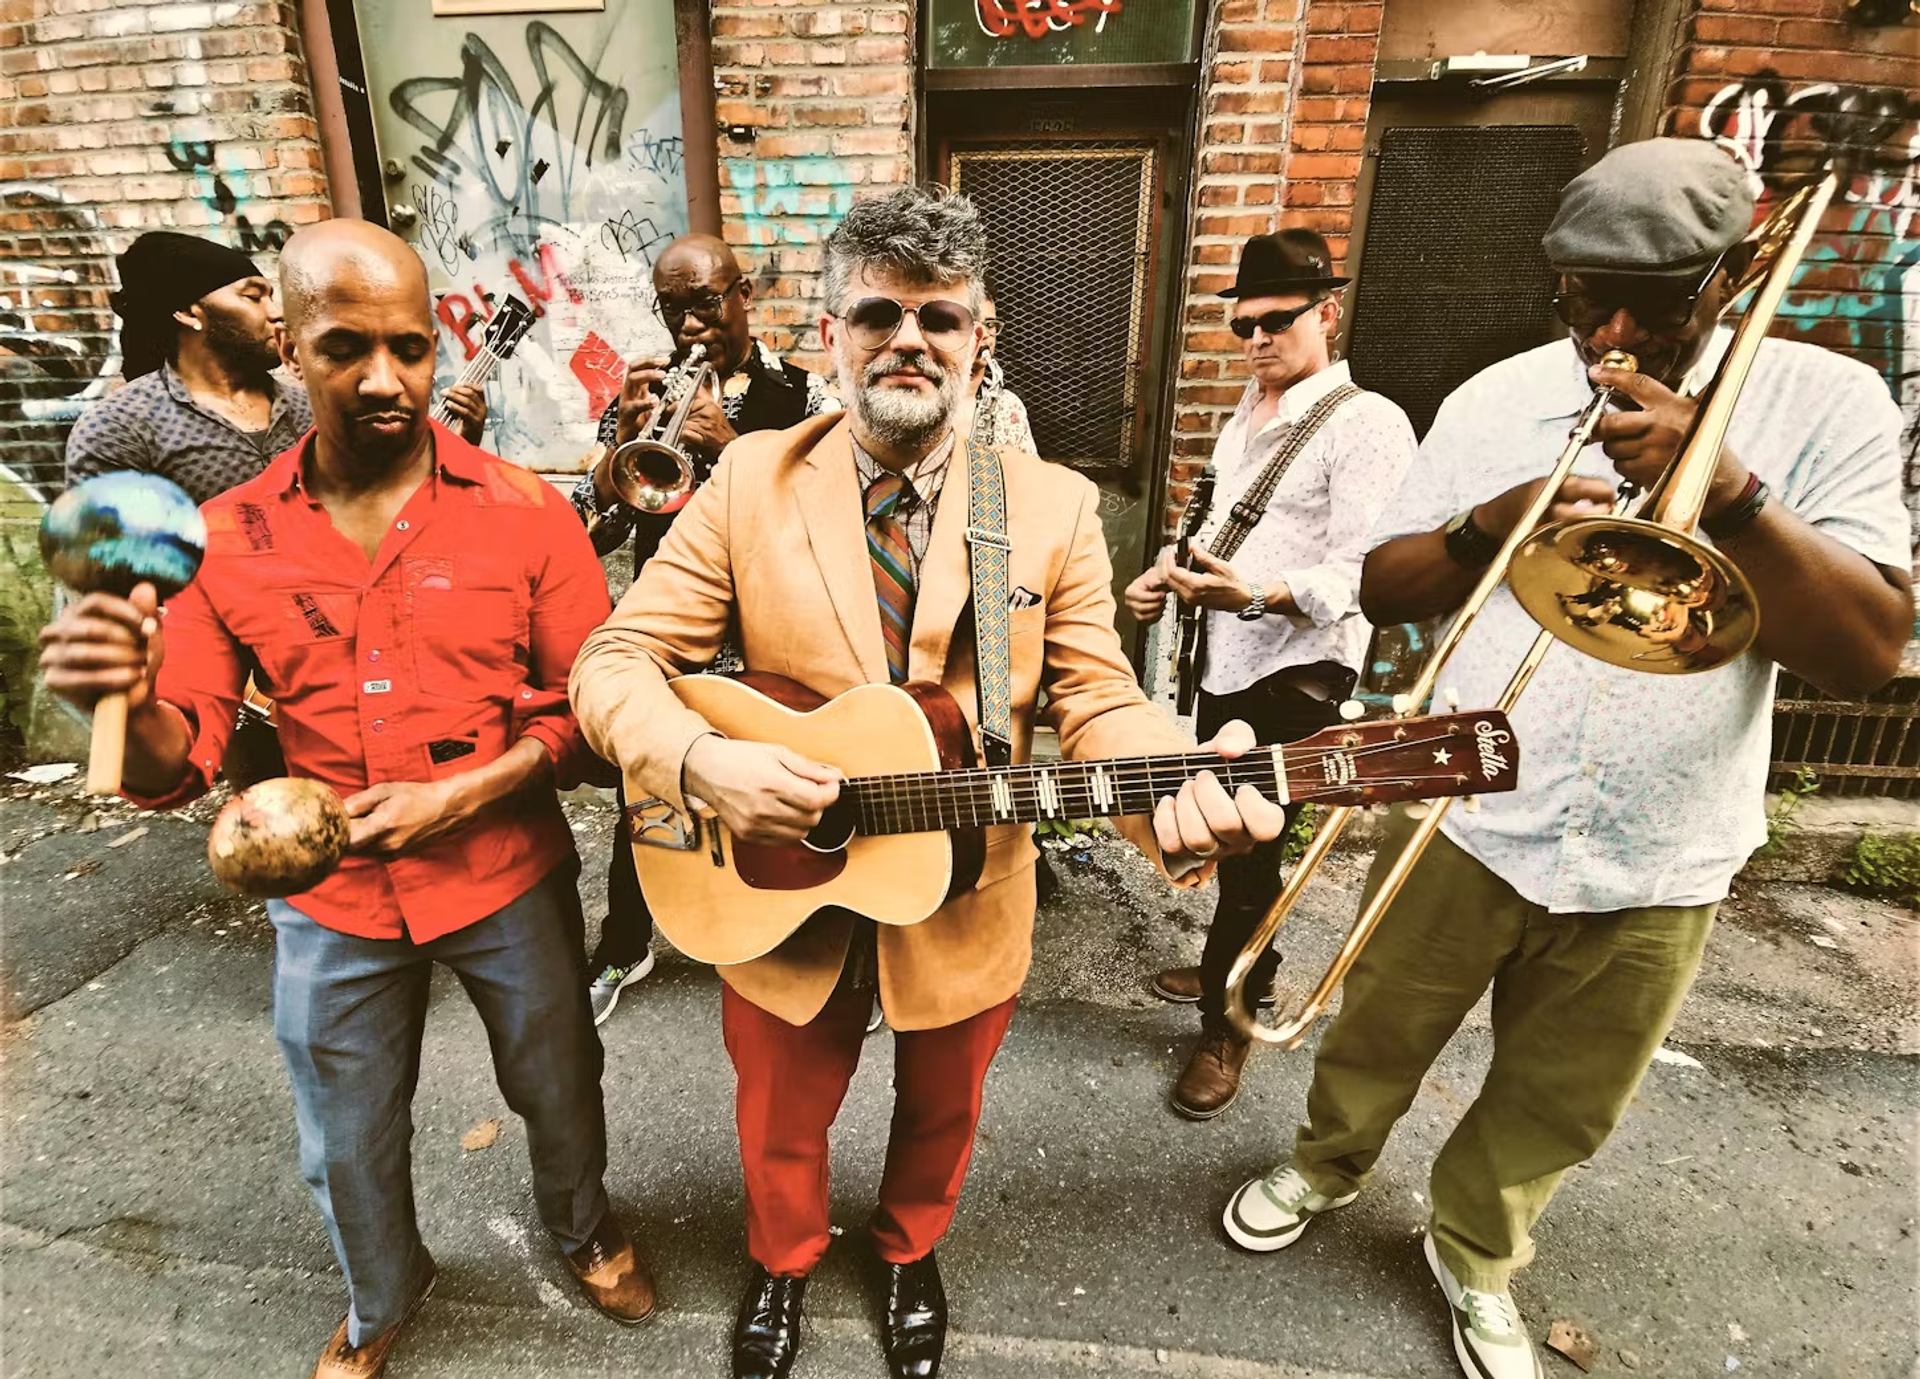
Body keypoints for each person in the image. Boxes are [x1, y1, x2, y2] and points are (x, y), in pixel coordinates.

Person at [1220, 140, 1911, 1379]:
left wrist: (1733, 492)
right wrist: (1498, 518)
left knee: (1564, 1091)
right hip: (1462, 808)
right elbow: (1385, 585)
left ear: (1735, 276)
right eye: (1586, 299)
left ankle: (1476, 1247)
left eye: (1658, 299)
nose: (1617, 332)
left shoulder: (1827, 401)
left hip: (1664, 839)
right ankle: (1327, 1160)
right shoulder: (1495, 398)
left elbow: (1866, 651)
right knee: (1378, 1024)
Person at [569, 186, 1283, 1379]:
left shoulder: (1050, 507)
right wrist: (703, 759)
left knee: (943, 1109)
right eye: (880, 314)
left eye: (939, 318)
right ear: (832, 333)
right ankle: (783, 1256)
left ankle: (908, 1247)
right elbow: (615, 658)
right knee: (778, 1115)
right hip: (773, 880)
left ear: (980, 334)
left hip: (969, 877)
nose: (910, 339)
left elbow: (1094, 696)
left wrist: (1172, 774)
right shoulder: (747, 480)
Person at [37, 220, 655, 1379]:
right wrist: (116, 701)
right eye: (345, 347)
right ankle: (381, 1294)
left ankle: (585, 1226)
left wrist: (474, 791)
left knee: (559, 1081)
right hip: (330, 898)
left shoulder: (528, 510)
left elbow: (592, 714)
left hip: (507, 871)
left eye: (411, 348)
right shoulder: (230, 536)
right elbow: (177, 760)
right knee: (345, 1136)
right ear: (291, 344)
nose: (386, 379)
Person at [1122, 229, 1416, 1120]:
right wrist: (1167, 576)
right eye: (1242, 324)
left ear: (1327, 313)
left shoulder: (1368, 424)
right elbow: (1219, 533)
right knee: (1232, 832)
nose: (1255, 340)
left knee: (1251, 843)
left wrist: (1255, 594)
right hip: (1229, 658)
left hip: (1299, 672)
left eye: (1276, 321)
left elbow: (1369, 572)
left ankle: (1233, 1015)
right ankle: (1233, 960)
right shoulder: (1247, 414)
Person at [572, 232, 838, 1026]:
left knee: (799, 798)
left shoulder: (808, 395)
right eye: (672, 307)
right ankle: (628, 940)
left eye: (706, 302)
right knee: (649, 787)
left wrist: (735, 451)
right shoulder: (643, 395)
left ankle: (815, 945)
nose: (690, 324)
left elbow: (836, 525)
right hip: (678, 638)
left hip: (779, 640)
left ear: (743, 293)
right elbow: (592, 536)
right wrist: (618, 452)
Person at [67, 229, 485, 506]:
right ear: (189, 314)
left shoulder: (309, 409)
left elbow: (381, 501)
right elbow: (110, 569)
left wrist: (457, 447)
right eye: (253, 297)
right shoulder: (122, 428)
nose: (275, 314)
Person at [958, 276, 1037, 454]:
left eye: (991, 324)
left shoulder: (1009, 405)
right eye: (973, 323)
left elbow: (1031, 476)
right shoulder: (928, 400)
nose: (984, 333)